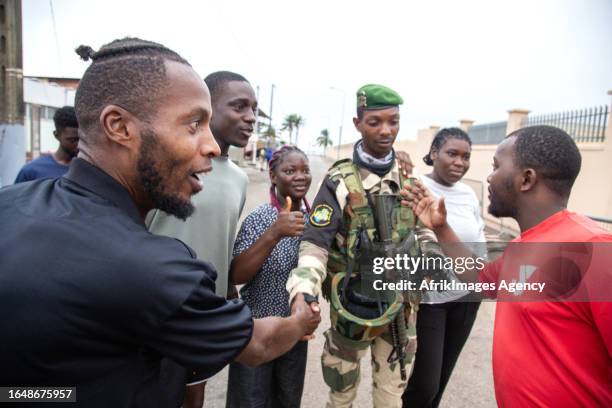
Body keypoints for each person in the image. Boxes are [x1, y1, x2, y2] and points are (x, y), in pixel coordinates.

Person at [0, 37, 320, 408]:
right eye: (192, 124)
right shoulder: (152, 269)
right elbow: (260, 343)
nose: (212, 146)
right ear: (119, 127)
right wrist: (302, 319)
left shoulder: (9, 204)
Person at [401, 125, 612, 407]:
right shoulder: (522, 246)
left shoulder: (595, 252)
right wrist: (441, 228)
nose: (489, 176)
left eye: (496, 166)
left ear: (526, 179)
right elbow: (479, 280)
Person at [285, 84, 438, 408]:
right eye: (375, 122)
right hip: (352, 307)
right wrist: (304, 289)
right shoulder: (339, 182)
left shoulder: (410, 182)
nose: (386, 131)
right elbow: (316, 242)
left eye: (393, 121)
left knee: (390, 396)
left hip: (399, 307)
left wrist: (431, 258)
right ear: (358, 123)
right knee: (341, 394)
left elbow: (424, 232)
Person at [146, 70, 257, 407]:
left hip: (203, 317)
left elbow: (220, 244)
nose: (251, 117)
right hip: (155, 315)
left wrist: (226, 298)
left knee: (195, 396)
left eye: (254, 108)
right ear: (207, 107)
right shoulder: (171, 167)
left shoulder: (239, 179)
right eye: (239, 106)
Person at [402, 128, 486, 408]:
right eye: (452, 153)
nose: (460, 162)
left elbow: (479, 239)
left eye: (466, 157)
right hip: (431, 301)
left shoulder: (469, 195)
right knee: (425, 386)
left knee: (440, 384)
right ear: (434, 152)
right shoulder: (415, 187)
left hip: (466, 299)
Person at [226, 145, 312, 408]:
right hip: (255, 332)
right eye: (290, 170)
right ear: (273, 176)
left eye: (305, 170)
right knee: (249, 401)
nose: (300, 176)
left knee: (287, 401)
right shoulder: (261, 218)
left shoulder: (315, 222)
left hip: (294, 335)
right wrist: (274, 233)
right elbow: (237, 274)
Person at [14, 105, 79, 183]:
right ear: (56, 135)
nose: (78, 144)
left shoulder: (87, 169)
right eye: (72, 140)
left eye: (81, 139)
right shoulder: (31, 171)